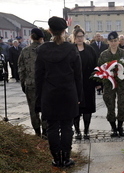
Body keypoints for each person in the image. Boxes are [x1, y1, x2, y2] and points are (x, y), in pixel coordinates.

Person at [35, 16, 82, 168]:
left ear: (49, 30)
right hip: (68, 94)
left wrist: (38, 99)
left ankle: (57, 159)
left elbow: (38, 77)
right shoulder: (71, 49)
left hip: (49, 95)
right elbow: (78, 76)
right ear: (64, 31)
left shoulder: (42, 50)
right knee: (67, 126)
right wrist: (79, 97)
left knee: (52, 127)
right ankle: (66, 158)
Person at [98, 31, 124, 137]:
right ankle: (113, 128)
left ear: (118, 41)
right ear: (108, 42)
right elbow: (100, 69)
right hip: (109, 85)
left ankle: (120, 126)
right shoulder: (104, 55)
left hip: (121, 84)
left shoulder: (123, 54)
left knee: (122, 106)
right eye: (111, 41)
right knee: (110, 106)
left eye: (115, 41)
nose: (113, 43)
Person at [18, 28, 47, 139]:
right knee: (45, 108)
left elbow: (21, 69)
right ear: (41, 38)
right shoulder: (45, 50)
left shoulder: (25, 51)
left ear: (31, 37)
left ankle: (37, 133)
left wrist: (23, 84)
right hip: (44, 85)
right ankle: (45, 132)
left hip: (30, 85)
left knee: (33, 110)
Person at [72, 25, 99, 140]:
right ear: (74, 37)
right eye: (77, 37)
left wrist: (98, 82)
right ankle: (77, 131)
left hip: (88, 83)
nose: (79, 39)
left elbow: (95, 66)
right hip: (74, 84)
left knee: (88, 108)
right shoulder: (70, 49)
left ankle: (86, 130)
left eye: (81, 36)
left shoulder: (90, 49)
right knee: (76, 109)